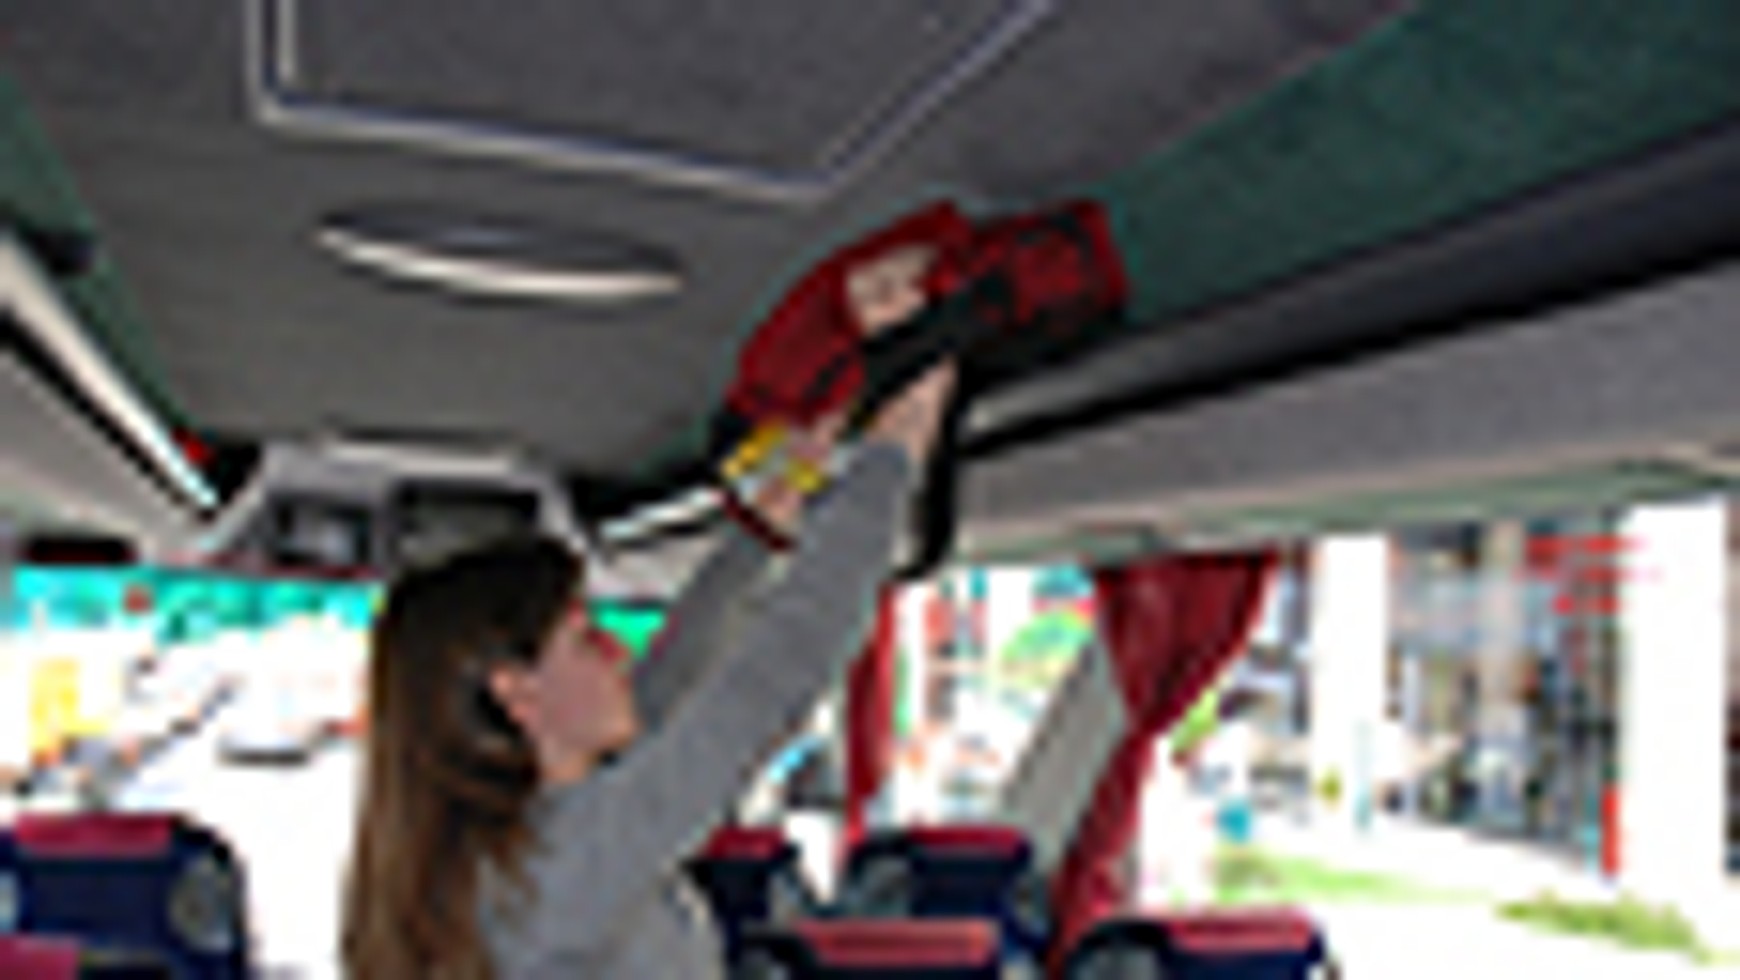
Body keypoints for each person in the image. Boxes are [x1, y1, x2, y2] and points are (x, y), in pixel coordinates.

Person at [341, 248, 954, 980]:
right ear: (518, 694)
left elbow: (669, 691)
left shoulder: (508, 865)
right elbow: (775, 674)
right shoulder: (563, 866)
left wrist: (754, 540)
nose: (620, 651)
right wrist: (896, 443)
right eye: (585, 638)